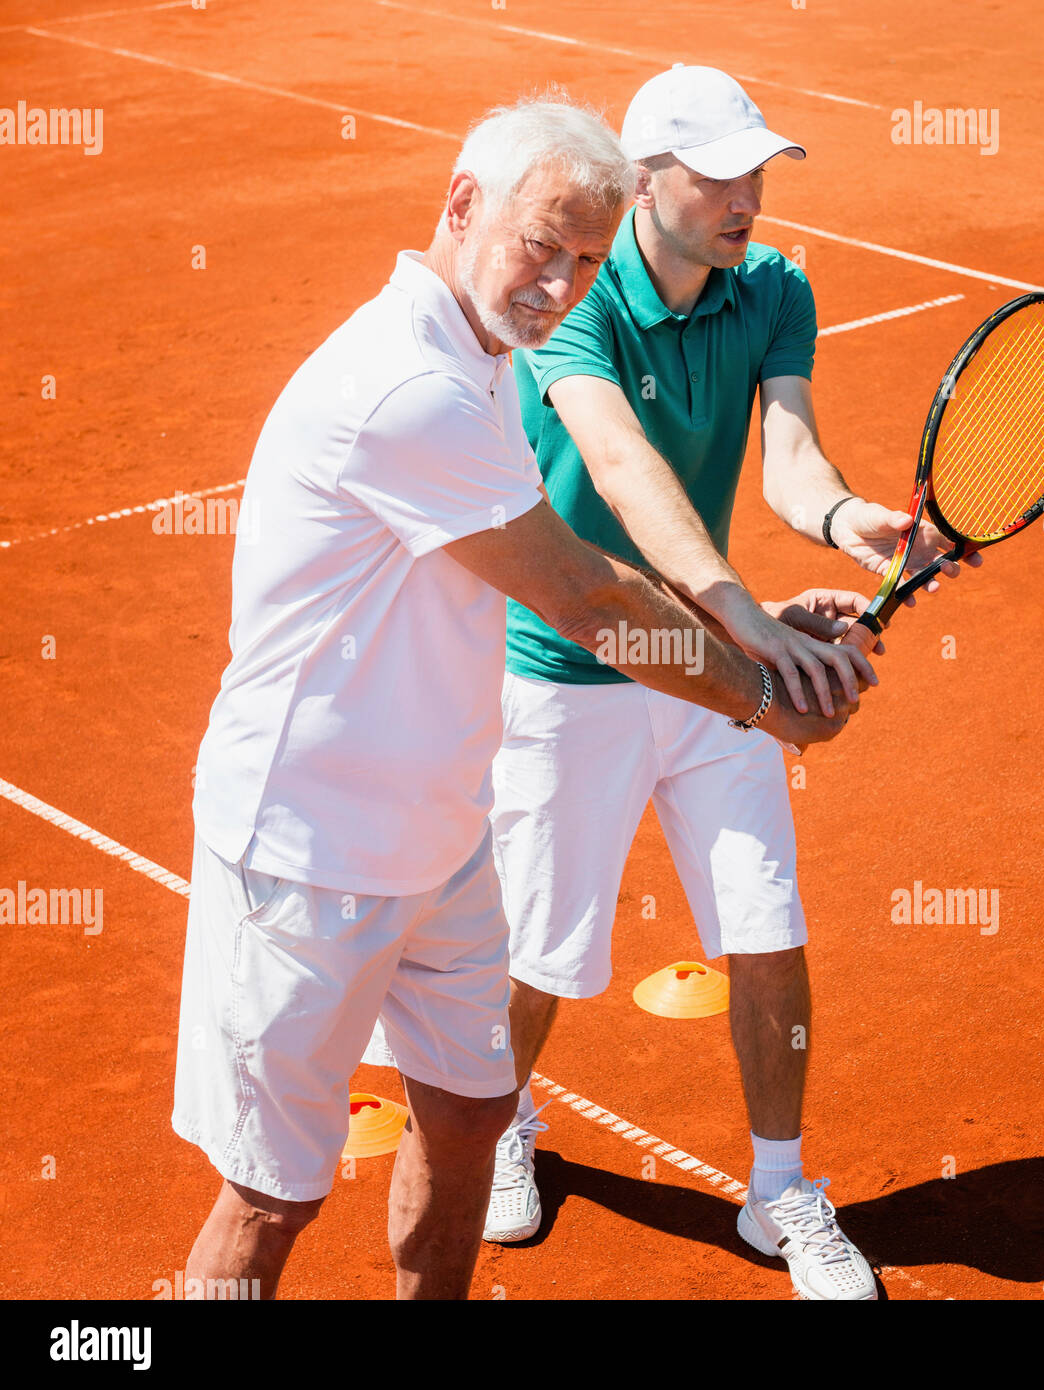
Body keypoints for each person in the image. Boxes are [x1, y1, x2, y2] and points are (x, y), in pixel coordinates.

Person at [174, 96, 863, 1302]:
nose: (559, 281)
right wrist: (761, 689)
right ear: (460, 206)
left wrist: (747, 634)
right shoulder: (407, 384)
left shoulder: (481, 354)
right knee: (273, 1195)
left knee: (470, 1118)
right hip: (310, 852)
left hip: (439, 841)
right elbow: (582, 597)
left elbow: (578, 558)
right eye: (542, 241)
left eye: (586, 258)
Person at [480, 68, 976, 1301]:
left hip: (703, 665)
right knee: (540, 953)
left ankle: (779, 1188)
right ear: (646, 182)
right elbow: (621, 464)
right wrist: (748, 619)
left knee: (767, 932)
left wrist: (856, 521)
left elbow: (789, 461)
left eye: (758, 171)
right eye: (718, 174)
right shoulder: (582, 303)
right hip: (571, 663)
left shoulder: (774, 292)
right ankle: (501, 1123)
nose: (747, 196)